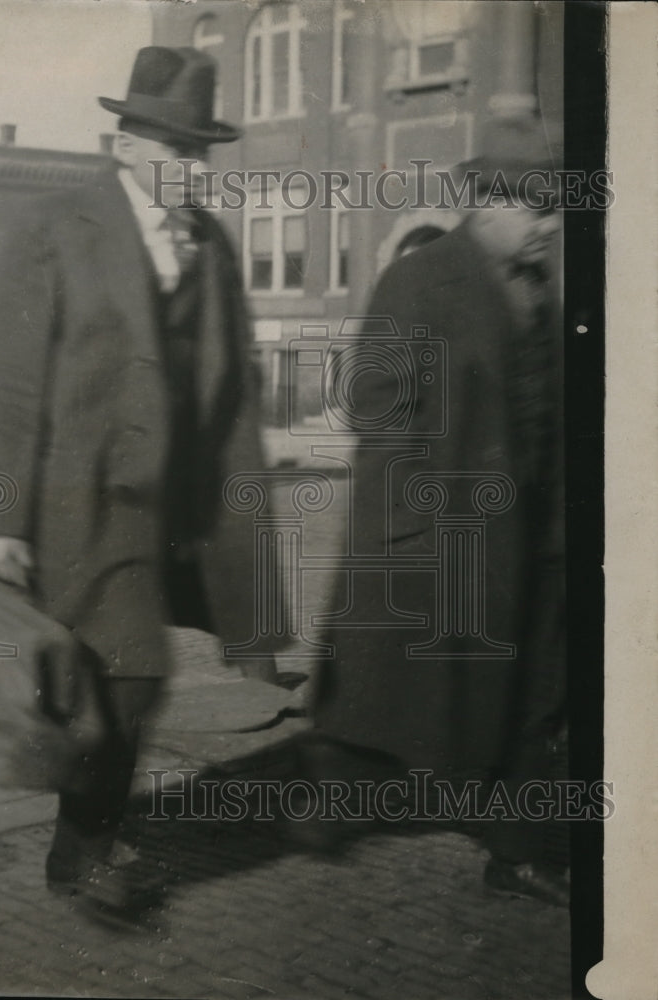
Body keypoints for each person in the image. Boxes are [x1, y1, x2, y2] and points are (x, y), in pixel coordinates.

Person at [0, 46, 280, 921]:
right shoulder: (58, 226)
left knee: (129, 680)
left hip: (171, 507)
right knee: (123, 677)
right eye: (175, 151)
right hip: (78, 503)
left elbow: (228, 381)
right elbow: (5, 380)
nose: (191, 169)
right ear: (127, 145)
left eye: (200, 153)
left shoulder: (206, 244)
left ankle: (82, 845)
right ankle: (88, 848)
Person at [303, 116, 568, 906]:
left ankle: (517, 852)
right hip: (450, 533)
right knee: (396, 691)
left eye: (554, 207)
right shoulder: (420, 280)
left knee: (540, 691)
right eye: (534, 207)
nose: (549, 222)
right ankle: (332, 792)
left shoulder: (540, 293)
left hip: (537, 533)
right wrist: (412, 532)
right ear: (485, 202)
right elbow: (379, 413)